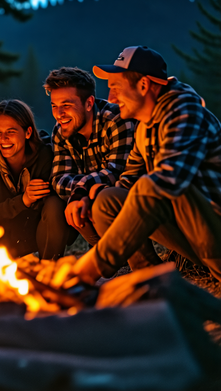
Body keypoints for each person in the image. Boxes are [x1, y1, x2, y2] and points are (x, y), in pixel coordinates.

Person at [71, 45, 221, 283]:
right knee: (108, 200)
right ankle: (153, 281)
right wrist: (91, 196)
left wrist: (92, 265)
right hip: (196, 238)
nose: (110, 99)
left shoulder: (185, 111)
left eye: (116, 88)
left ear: (143, 86)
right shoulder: (145, 126)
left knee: (153, 186)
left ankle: (89, 271)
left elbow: (166, 183)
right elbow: (127, 183)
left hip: (215, 228)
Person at [0, 99, 75, 259]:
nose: (3, 138)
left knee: (54, 204)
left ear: (28, 132)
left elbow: (53, 206)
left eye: (11, 132)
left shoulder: (45, 156)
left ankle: (49, 266)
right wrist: (23, 200)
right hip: (1, 239)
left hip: (37, 232)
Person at [44, 67, 136, 248]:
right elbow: (58, 179)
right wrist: (81, 192)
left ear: (88, 103)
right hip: (92, 203)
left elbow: (117, 173)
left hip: (129, 204)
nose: (59, 114)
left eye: (66, 105)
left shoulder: (116, 120)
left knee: (100, 197)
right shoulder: (61, 130)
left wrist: (82, 190)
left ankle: (126, 254)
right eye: (54, 106)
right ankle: (108, 255)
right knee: (64, 203)